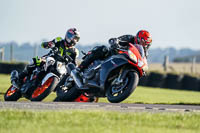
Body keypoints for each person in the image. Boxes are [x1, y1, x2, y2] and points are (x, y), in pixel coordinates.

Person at [11, 28, 80, 88]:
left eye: (76, 39)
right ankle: (19, 78)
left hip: (61, 66)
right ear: (68, 36)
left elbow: (74, 64)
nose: (74, 40)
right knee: (37, 61)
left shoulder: (75, 51)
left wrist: (76, 69)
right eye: (73, 38)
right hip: (50, 58)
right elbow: (44, 44)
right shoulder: (59, 40)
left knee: (65, 78)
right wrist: (49, 44)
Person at [78, 30, 152, 71]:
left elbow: (143, 61)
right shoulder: (129, 38)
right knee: (103, 49)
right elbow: (116, 40)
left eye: (146, 44)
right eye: (143, 42)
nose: (144, 45)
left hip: (127, 62)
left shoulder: (144, 52)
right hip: (115, 54)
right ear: (138, 38)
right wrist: (116, 43)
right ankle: (81, 67)